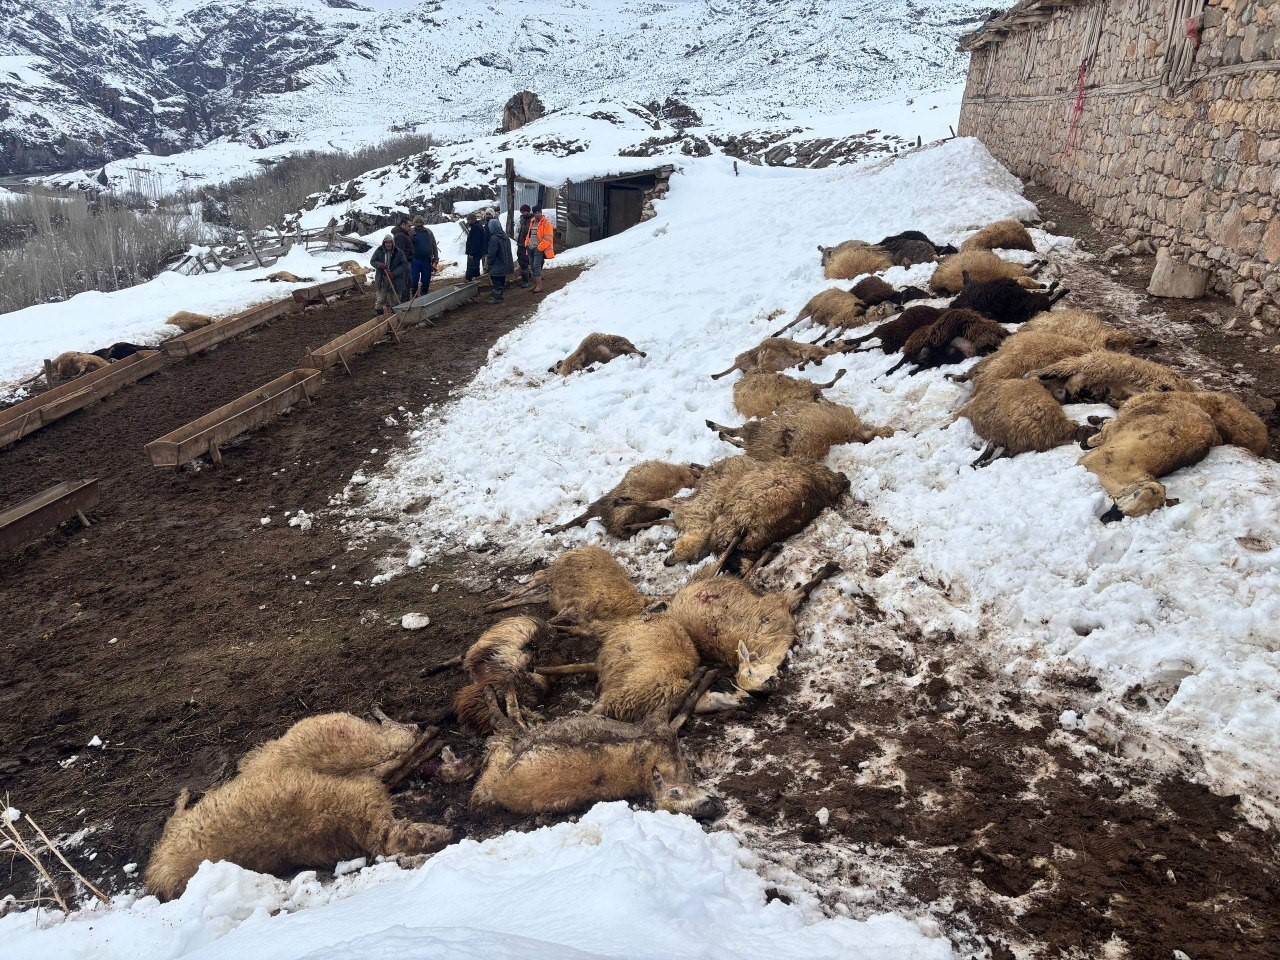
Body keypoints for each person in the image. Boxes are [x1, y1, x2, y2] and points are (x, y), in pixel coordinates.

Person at [370, 235, 410, 315]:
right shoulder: (379, 251)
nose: (388, 244)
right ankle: (379, 315)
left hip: (395, 278)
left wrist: (394, 273)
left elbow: (404, 264)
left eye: (390, 242)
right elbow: (373, 261)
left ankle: (394, 315)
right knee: (381, 298)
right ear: (384, 243)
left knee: (395, 297)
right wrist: (380, 265)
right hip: (382, 278)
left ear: (393, 243)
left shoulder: (399, 252)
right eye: (386, 243)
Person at [525, 205, 555, 293]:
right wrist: (527, 243)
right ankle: (535, 285)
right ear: (533, 214)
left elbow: (548, 238)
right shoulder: (532, 222)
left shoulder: (546, 223)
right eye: (536, 213)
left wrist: (540, 248)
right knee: (532, 267)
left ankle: (539, 285)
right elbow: (529, 234)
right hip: (530, 247)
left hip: (538, 248)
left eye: (539, 212)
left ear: (541, 213)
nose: (538, 214)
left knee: (536, 266)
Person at [485, 217, 514, 303]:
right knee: (501, 280)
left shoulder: (494, 238)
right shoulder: (505, 236)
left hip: (497, 264)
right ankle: (499, 296)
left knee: (495, 280)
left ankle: (497, 298)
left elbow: (491, 253)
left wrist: (488, 264)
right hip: (505, 263)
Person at [410, 215, 439, 296]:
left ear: (423, 222)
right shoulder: (411, 232)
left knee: (426, 280)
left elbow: (434, 245)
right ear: (414, 223)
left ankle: (424, 295)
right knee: (414, 280)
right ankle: (414, 296)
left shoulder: (428, 232)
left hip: (427, 260)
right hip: (415, 260)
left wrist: (436, 258)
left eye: (420, 222)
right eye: (416, 222)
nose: (418, 224)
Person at [465, 213, 488, 282]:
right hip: (477, 253)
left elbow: (475, 242)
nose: (468, 222)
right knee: (475, 268)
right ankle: (476, 281)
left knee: (471, 269)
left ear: (472, 220)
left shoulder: (476, 227)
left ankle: (470, 283)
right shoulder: (477, 226)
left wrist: (472, 253)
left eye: (468, 220)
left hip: (474, 254)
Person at [515, 204, 533, 288]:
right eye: (521, 212)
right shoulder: (523, 219)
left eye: (523, 212)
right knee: (521, 260)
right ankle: (526, 279)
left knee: (524, 261)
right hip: (521, 243)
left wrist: (521, 222)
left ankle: (527, 281)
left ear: (528, 211)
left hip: (527, 243)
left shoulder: (531, 220)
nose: (522, 213)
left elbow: (526, 229)